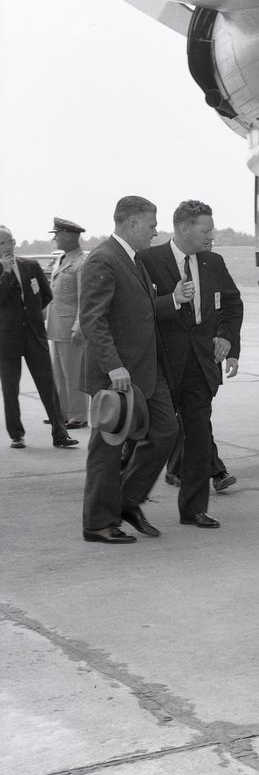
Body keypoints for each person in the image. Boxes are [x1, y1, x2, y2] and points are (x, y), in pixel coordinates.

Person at [79, 196, 178, 542]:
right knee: (107, 447)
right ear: (133, 223)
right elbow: (94, 319)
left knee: (165, 432)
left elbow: (141, 311)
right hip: (117, 376)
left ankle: (126, 502)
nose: (155, 232)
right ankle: (97, 523)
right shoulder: (103, 260)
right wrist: (113, 366)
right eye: (152, 225)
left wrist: (174, 300)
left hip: (147, 372)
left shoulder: (134, 260)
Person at [139, 200, 243, 529]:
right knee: (154, 436)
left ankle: (194, 509)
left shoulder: (213, 262)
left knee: (199, 438)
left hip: (200, 365)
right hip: (162, 365)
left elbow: (233, 303)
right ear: (184, 229)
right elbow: (139, 311)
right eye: (206, 229)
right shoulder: (148, 260)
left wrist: (227, 339)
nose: (211, 234)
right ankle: (127, 498)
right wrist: (171, 302)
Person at [0, 225, 78, 451]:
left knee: (47, 385)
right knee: (10, 389)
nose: (7, 247)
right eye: (2, 243)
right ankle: (17, 435)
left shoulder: (31, 266)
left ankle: (59, 433)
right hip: (7, 339)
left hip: (34, 335)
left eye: (9, 242)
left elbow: (46, 296)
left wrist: (32, 316)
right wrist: (5, 274)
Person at [46, 217, 90, 429]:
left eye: (57, 234)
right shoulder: (62, 259)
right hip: (57, 325)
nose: (55, 238)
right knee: (60, 373)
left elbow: (84, 298)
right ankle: (62, 412)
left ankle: (79, 416)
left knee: (74, 374)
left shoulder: (81, 262)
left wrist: (79, 326)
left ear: (69, 236)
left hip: (71, 327)